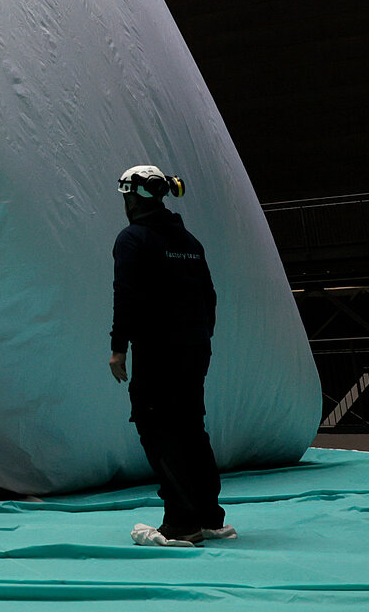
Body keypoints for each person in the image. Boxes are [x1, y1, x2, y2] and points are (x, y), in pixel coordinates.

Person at [108, 164, 235, 547]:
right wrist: (199, 339)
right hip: (194, 350)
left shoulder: (133, 239)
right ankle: (209, 516)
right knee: (191, 427)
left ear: (134, 197)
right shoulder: (189, 242)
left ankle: (181, 523)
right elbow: (209, 297)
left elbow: (125, 296)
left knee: (159, 429)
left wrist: (118, 348)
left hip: (158, 352)